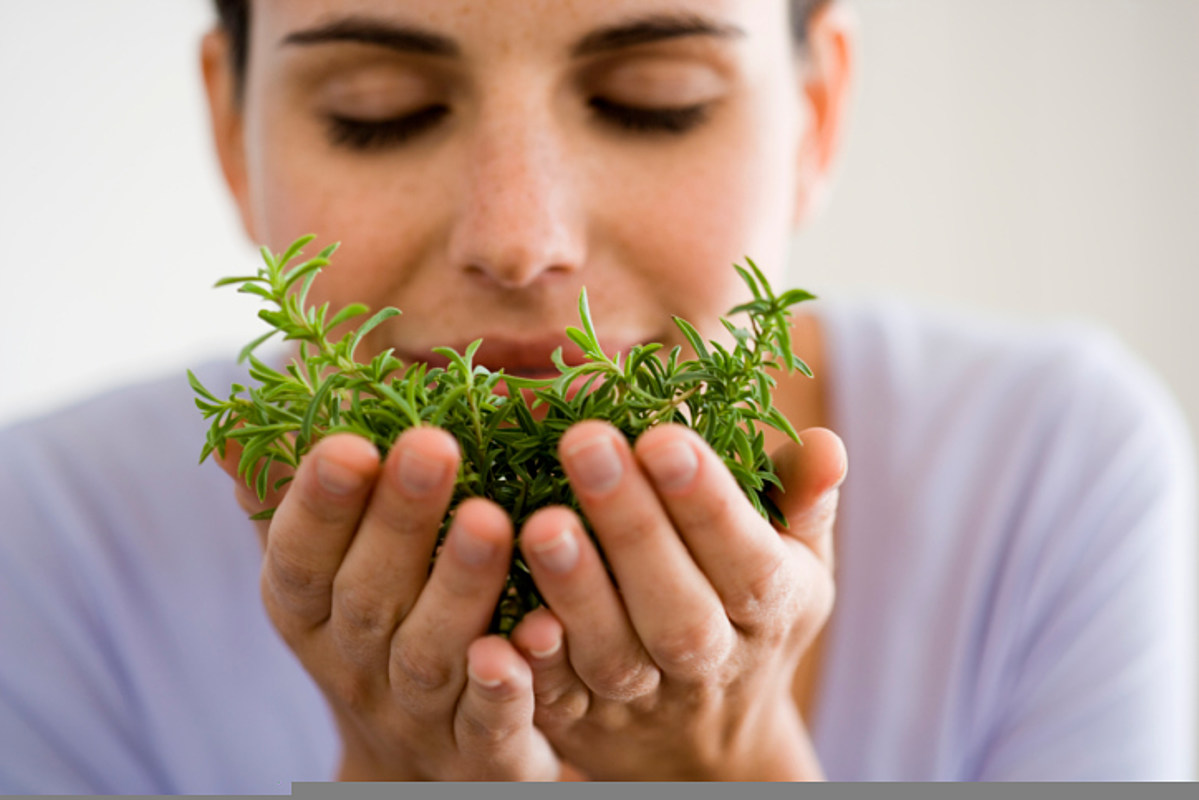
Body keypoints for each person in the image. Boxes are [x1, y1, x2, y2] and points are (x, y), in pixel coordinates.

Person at [0, 0, 1194, 789]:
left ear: (813, 118)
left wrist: (729, 766)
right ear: (228, 127)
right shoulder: (48, 537)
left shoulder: (1047, 473)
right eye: (379, 114)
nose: (519, 241)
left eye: (652, 100)